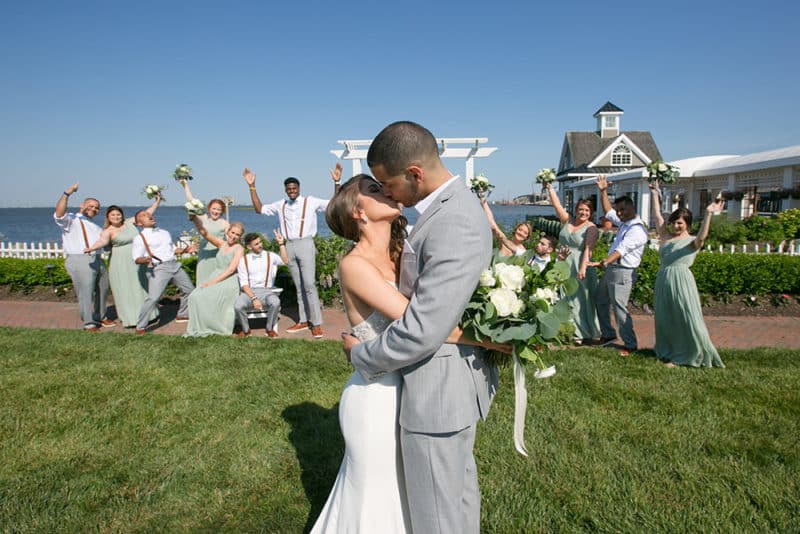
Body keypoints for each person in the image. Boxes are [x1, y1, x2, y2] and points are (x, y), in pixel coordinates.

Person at [316, 173, 507, 534]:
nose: (387, 190)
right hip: (377, 394)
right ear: (358, 212)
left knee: (412, 498)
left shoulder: (404, 251)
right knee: (375, 500)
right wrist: (493, 339)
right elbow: (424, 324)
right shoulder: (354, 265)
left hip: (417, 390)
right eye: (375, 189)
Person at [243, 163, 342, 339]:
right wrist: (251, 186)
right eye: (289, 189)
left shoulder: (310, 202)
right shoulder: (280, 204)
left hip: (305, 244)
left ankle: (316, 324)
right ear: (285, 190)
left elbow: (335, 203)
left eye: (294, 188)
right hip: (288, 245)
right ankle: (303, 320)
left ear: (299, 188)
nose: (291, 191)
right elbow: (259, 209)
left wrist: (336, 182)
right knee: (299, 286)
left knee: (310, 284)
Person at [650, 182, 725, 368]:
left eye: (680, 223)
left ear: (687, 225)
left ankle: (689, 354)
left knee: (686, 316)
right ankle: (668, 350)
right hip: (663, 279)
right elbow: (657, 215)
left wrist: (708, 213)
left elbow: (702, 237)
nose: (676, 225)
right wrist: (653, 194)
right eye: (674, 222)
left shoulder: (692, 242)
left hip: (682, 280)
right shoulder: (665, 236)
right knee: (665, 317)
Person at [588, 175, 648, 356]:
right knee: (600, 299)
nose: (619, 213)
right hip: (612, 270)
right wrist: (603, 191)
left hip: (623, 272)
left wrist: (603, 262)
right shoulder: (624, 223)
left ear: (632, 207)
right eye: (618, 210)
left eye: (622, 210)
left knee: (620, 309)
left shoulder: (637, 230)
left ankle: (630, 344)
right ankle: (608, 334)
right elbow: (608, 211)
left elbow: (621, 250)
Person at [84, 196, 162, 327]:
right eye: (113, 215)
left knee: (140, 286)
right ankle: (131, 319)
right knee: (125, 289)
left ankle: (149, 315)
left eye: (118, 214)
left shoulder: (129, 223)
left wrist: (157, 202)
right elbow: (102, 242)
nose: (116, 217)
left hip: (136, 260)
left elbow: (146, 214)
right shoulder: (107, 231)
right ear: (108, 217)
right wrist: (92, 248)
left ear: (122, 215)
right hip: (120, 264)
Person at [543, 183, 601, 343]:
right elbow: (557, 205)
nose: (583, 212)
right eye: (581, 209)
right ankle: (565, 329)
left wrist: (582, 268)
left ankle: (583, 333)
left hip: (580, 265)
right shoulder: (568, 221)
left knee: (579, 299)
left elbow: (588, 249)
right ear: (576, 210)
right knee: (564, 296)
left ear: (591, 213)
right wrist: (549, 188)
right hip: (563, 263)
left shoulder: (592, 228)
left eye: (587, 210)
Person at [54, 182, 113, 331]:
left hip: (98, 259)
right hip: (80, 259)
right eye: (91, 206)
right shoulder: (71, 219)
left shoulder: (94, 225)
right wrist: (67, 193)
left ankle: (100, 316)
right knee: (86, 292)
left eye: (96, 207)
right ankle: (88, 322)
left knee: (103, 288)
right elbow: (59, 213)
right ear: (82, 206)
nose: (94, 209)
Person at [131, 210, 195, 335]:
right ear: (139, 223)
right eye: (144, 215)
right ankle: (141, 326)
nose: (149, 215)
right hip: (158, 269)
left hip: (174, 265)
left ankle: (182, 315)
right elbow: (136, 258)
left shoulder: (165, 232)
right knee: (153, 298)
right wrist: (145, 259)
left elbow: (171, 250)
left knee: (189, 290)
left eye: (149, 214)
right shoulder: (139, 238)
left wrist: (186, 249)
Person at [184, 218, 245, 337]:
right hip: (216, 275)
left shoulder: (239, 249)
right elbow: (205, 233)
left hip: (230, 280)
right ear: (228, 232)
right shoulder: (221, 244)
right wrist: (194, 219)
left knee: (204, 296)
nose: (234, 236)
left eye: (237, 235)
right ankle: (201, 325)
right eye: (232, 232)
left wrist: (211, 283)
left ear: (240, 237)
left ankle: (217, 325)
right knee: (194, 296)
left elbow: (231, 270)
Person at [233, 231, 289, 338]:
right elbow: (244, 284)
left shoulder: (270, 256)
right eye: (256, 244)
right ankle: (246, 330)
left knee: (276, 302)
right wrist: (254, 298)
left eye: (260, 242)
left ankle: (269, 329)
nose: (260, 245)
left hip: (266, 291)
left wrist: (281, 244)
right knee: (238, 306)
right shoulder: (243, 261)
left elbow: (285, 261)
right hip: (249, 292)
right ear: (249, 247)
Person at [179, 179, 229, 285]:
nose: (216, 211)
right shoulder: (204, 218)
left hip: (217, 257)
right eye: (214, 208)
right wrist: (185, 185)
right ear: (209, 208)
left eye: (219, 210)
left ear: (222, 211)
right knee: (203, 282)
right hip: (204, 256)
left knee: (216, 283)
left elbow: (230, 241)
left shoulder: (224, 223)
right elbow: (192, 201)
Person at [479, 196, 531, 263]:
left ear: (527, 237)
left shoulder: (522, 252)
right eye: (520, 229)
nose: (521, 233)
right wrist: (483, 200)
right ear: (515, 230)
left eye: (525, 233)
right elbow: (493, 224)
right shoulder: (505, 241)